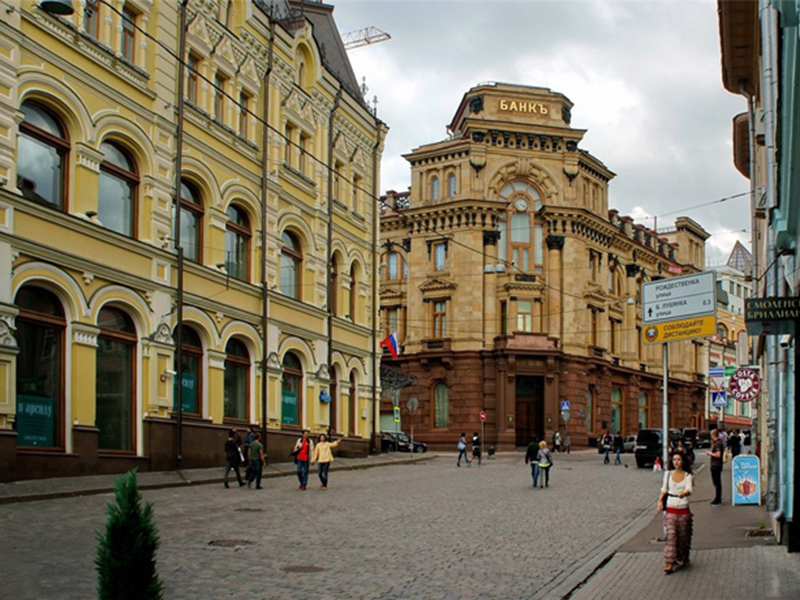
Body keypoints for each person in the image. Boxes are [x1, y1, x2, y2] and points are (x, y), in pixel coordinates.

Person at [657, 451, 693, 574]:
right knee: (671, 535)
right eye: (674, 460)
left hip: (683, 507)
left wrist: (684, 493)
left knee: (683, 536)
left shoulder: (687, 475)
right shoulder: (668, 474)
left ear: (682, 461)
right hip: (670, 506)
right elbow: (664, 489)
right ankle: (669, 562)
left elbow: (689, 489)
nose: (676, 462)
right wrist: (660, 501)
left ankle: (683, 557)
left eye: (678, 459)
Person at [707, 429, 724, 505]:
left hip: (716, 465)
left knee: (717, 482)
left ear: (713, 435)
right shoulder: (716, 443)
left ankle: (718, 498)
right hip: (715, 464)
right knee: (716, 482)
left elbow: (718, 454)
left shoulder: (717, 444)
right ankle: (718, 497)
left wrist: (710, 453)